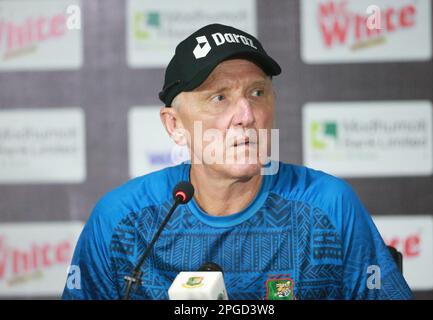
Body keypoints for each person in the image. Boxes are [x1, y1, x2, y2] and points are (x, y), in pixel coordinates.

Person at [62, 24, 413, 300]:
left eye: (257, 93)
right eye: (219, 97)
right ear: (175, 126)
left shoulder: (328, 206)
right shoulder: (121, 221)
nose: (246, 115)